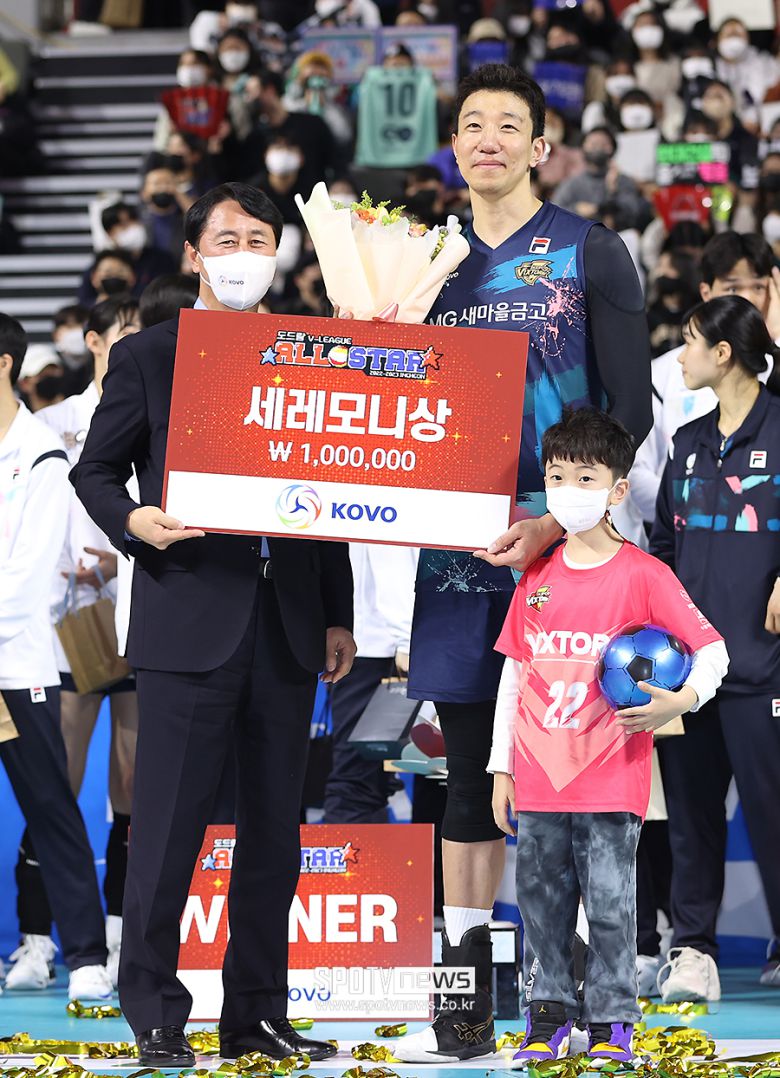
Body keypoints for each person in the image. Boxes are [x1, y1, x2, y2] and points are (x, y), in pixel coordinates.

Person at [397, 63, 653, 1065]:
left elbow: (628, 412)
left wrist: (555, 517)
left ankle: (583, 988)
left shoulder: (591, 252)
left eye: (510, 125)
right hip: (459, 558)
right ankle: (462, 995)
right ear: (454, 145)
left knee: (579, 789)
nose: (490, 140)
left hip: (569, 557)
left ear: (541, 147)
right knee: (466, 780)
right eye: (473, 124)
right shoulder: (420, 263)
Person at [70, 182, 355, 1066]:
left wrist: (337, 613)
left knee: (275, 836)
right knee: (167, 832)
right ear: (193, 255)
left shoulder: (312, 350)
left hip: (288, 626)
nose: (243, 255)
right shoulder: (149, 355)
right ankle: (156, 1013)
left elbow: (335, 481)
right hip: (188, 616)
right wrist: (133, 521)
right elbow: (93, 471)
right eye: (225, 240)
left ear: (280, 253)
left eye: (259, 239)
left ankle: (257, 1014)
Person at [488, 407, 727, 1063]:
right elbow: (515, 677)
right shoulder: (535, 577)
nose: (568, 490)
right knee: (540, 905)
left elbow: (713, 652)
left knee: (612, 906)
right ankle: (547, 1019)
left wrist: (680, 699)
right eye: (556, 476)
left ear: (618, 489)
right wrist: (501, 767)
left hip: (610, 776)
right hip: (539, 776)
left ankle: (613, 1021)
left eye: (585, 477)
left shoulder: (645, 575)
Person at [9, 298, 143, 992]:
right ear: (93, 342)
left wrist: (120, 565)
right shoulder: (56, 423)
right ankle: (37, 942)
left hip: (128, 621)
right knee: (54, 788)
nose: (134, 345)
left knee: (123, 789)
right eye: (124, 335)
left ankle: (110, 942)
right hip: (65, 631)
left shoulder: (157, 412)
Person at [650, 296, 780, 999]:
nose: (681, 356)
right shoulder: (687, 440)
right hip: (691, 674)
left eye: (691, 341)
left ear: (724, 354)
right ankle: (693, 950)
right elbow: (663, 544)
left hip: (765, 670)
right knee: (691, 822)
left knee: (773, 816)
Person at [0, 313, 112, 1002]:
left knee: (51, 807)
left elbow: (27, 579)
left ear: (4, 363)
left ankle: (88, 955)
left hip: (17, 668)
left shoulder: (42, 455)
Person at [630, 231, 779, 529]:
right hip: (682, 538)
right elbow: (635, 473)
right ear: (706, 292)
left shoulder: (774, 365)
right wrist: (701, 511)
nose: (748, 298)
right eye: (733, 287)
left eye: (759, 287)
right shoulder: (664, 374)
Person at [323, 544, 418, 824]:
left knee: (436, 771)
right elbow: (389, 552)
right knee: (359, 778)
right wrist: (408, 640)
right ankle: (349, 852)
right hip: (379, 651)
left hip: (389, 646)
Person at [77, 205, 178, 306]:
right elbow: (84, 302)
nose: (133, 227)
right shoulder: (101, 265)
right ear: (109, 233)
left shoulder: (162, 259)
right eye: (123, 224)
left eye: (134, 220)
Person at [554, 126, 650, 229]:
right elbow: (554, 213)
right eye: (593, 144)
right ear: (583, 147)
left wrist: (612, 192)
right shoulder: (572, 184)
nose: (598, 148)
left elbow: (632, 214)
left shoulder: (622, 181)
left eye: (603, 144)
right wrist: (576, 210)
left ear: (612, 149)